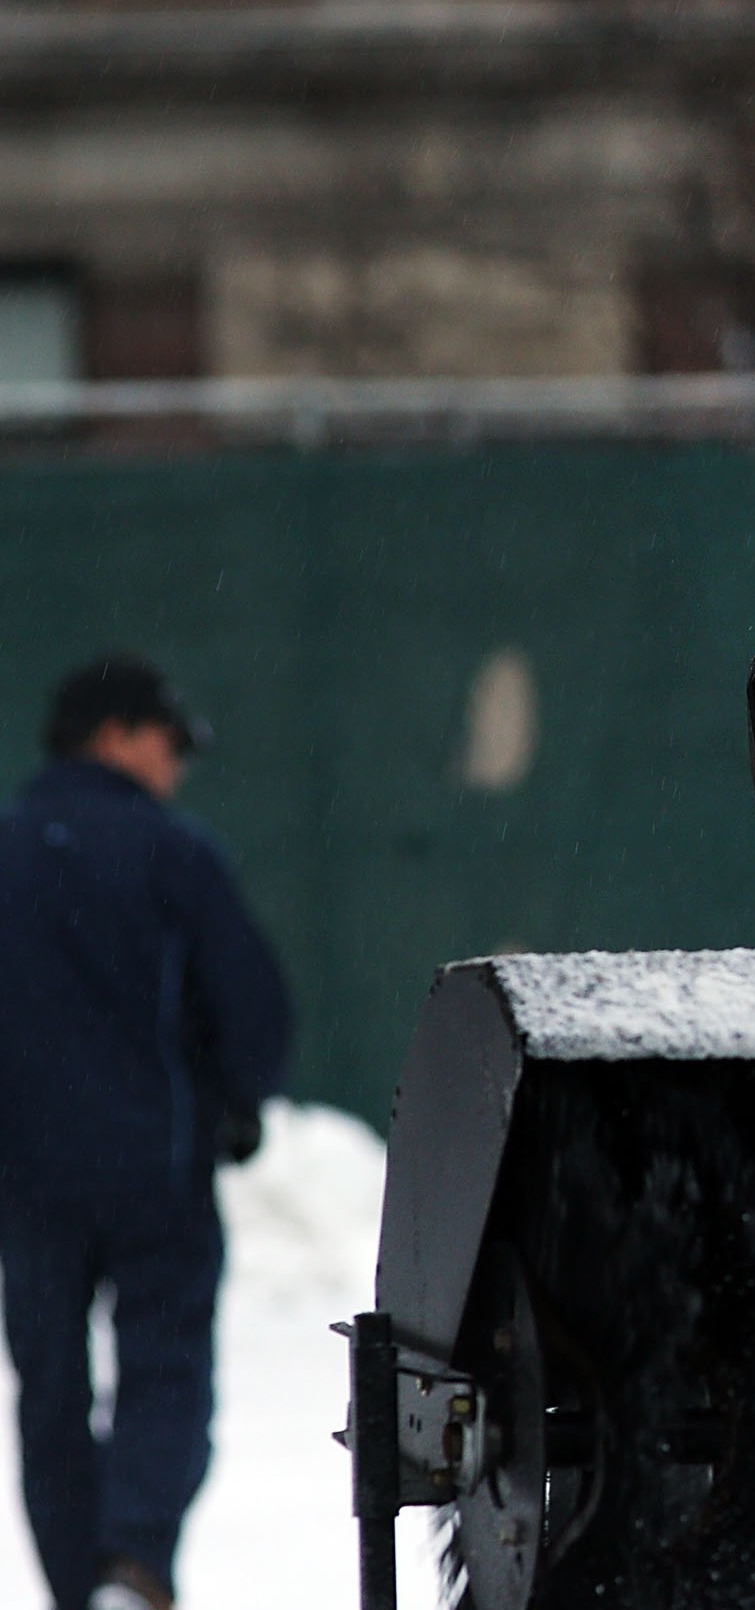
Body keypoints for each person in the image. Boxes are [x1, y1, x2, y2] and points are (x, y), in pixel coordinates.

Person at [0, 656, 291, 1610]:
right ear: (116, 734)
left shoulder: (6, 848)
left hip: (30, 1181)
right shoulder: (176, 852)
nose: (175, 765)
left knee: (49, 1392)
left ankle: (80, 1584)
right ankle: (133, 1566)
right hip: (155, 1169)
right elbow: (248, 1002)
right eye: (169, 742)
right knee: (165, 1365)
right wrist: (241, 1101)